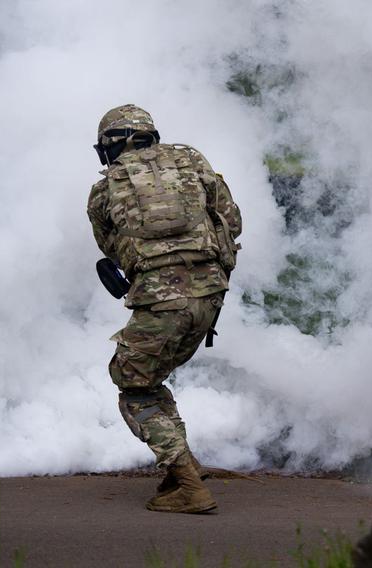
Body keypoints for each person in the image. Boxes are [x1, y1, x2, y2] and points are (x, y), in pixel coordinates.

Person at [87, 104, 241, 514]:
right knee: (151, 379)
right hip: (211, 296)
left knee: (134, 386)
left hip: (160, 302)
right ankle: (182, 469)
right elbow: (231, 221)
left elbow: (110, 246)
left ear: (108, 147)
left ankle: (189, 486)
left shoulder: (105, 190)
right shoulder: (191, 160)